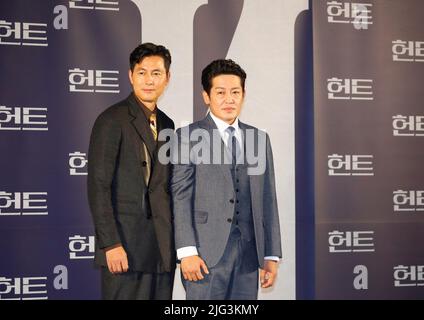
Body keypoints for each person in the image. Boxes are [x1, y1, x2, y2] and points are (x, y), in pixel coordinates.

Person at [171, 59, 282, 300]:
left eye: (235, 92)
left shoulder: (259, 139)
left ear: (244, 94)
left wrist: (271, 254)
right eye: (220, 92)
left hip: (249, 256)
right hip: (203, 254)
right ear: (206, 96)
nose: (229, 99)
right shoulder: (187, 136)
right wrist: (187, 251)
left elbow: (268, 198)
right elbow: (180, 197)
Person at [87, 43, 175, 300]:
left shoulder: (167, 124)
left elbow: (165, 186)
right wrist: (111, 244)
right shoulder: (111, 119)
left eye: (156, 73)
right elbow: (98, 187)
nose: (149, 80)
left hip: (161, 251)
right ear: (130, 76)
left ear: (167, 78)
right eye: (142, 72)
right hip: (124, 249)